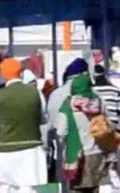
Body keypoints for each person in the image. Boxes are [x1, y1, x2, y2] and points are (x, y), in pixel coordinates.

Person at [0, 58, 46, 193]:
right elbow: (44, 118)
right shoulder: (36, 93)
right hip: (32, 148)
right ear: (20, 73)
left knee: (6, 187)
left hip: (7, 148)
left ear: (3, 75)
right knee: (28, 187)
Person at [56, 74, 110, 192]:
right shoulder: (98, 102)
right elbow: (107, 123)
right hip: (97, 153)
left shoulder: (67, 107)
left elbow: (61, 132)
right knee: (94, 189)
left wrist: (67, 146)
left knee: (76, 189)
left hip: (76, 156)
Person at [48, 58, 89, 186]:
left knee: (65, 185)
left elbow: (50, 125)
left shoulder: (55, 95)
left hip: (62, 149)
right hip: (86, 149)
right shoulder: (89, 94)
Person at [92, 65, 120, 129]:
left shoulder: (92, 90)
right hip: (112, 125)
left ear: (94, 76)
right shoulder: (115, 90)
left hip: (96, 126)